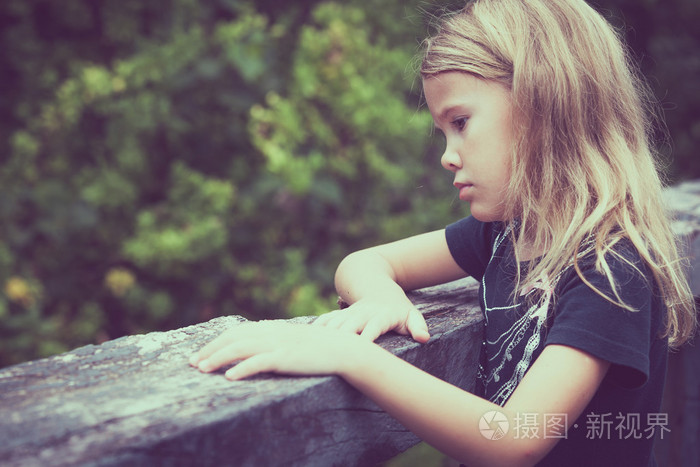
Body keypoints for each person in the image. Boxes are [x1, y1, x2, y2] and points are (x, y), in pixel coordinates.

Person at [189, 0, 697, 465]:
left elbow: (517, 439)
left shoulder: (611, 267)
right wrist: (381, 296)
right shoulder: (503, 235)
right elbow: (360, 264)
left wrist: (351, 356)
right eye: (443, 131)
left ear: (545, 104)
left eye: (461, 121)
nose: (447, 154)